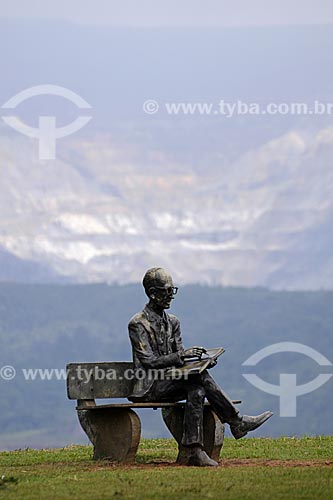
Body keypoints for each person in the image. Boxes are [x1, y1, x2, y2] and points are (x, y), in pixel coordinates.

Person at [128, 267, 273, 466]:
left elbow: (181, 360)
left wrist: (202, 362)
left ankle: (194, 451)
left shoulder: (173, 322)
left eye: (173, 290)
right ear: (153, 293)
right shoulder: (138, 324)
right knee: (199, 382)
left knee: (196, 388)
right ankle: (237, 422)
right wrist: (182, 355)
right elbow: (149, 362)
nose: (171, 296)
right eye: (167, 291)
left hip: (172, 381)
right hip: (150, 387)